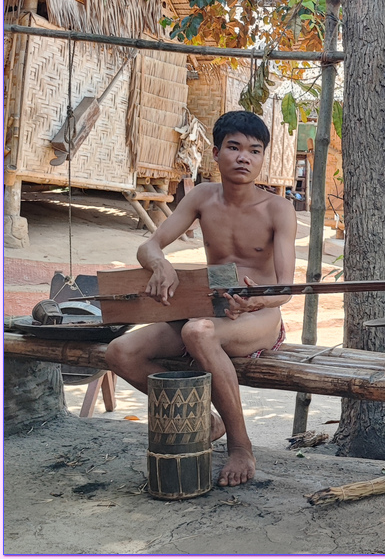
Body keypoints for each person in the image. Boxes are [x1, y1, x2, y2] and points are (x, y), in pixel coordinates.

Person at [105, 111, 297, 487]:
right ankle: (204, 420)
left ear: (262, 159)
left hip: (259, 317)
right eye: (234, 147)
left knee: (199, 333)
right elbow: (149, 244)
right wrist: (160, 264)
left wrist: (257, 301)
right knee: (119, 352)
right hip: (207, 310)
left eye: (254, 151)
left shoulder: (278, 209)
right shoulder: (201, 197)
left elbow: (285, 291)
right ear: (216, 152)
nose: (244, 157)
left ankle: (241, 447)